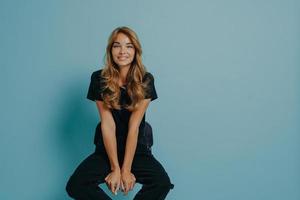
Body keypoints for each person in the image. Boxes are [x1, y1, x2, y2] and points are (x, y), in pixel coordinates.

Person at [65, 26, 174, 200]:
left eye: (129, 46)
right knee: (76, 185)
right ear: (110, 50)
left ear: (136, 51)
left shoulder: (146, 80)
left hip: (136, 149)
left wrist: (126, 169)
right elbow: (107, 125)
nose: (123, 51)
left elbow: (134, 127)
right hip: (107, 149)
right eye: (117, 46)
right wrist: (115, 168)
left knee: (161, 183)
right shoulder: (99, 79)